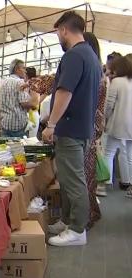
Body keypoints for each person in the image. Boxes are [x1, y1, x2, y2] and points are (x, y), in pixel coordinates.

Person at [44, 11, 101, 246]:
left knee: (74, 181)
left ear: (65, 30)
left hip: (70, 129)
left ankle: (77, 229)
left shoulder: (74, 56)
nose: (58, 36)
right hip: (82, 128)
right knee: (68, 180)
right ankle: (68, 221)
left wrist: (51, 124)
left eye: (58, 31)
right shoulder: (91, 56)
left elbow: (64, 92)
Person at [82, 32, 106, 228]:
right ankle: (91, 213)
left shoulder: (92, 72)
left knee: (84, 176)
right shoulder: (99, 72)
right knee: (88, 176)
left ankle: (87, 216)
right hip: (93, 127)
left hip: (86, 128)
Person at [103, 56, 132, 198]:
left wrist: (104, 118)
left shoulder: (116, 82)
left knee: (109, 152)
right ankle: (129, 184)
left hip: (118, 123)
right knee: (130, 156)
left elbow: (109, 104)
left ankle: (105, 184)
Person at [0, 59, 37, 137]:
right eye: (24, 68)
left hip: (5, 123)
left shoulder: (3, 82)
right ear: (16, 69)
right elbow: (26, 103)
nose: (25, 71)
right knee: (19, 149)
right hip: (17, 125)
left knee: (6, 148)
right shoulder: (19, 82)